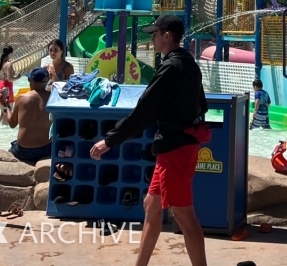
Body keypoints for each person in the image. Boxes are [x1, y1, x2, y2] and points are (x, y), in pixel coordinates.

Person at [89, 14, 209, 266]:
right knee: (151, 205)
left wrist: (110, 141)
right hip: (179, 145)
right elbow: (202, 104)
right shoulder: (189, 64)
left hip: (175, 148)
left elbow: (145, 111)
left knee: (185, 216)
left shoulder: (170, 67)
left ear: (167, 36)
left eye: (155, 34)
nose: (151, 38)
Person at [8, 67, 53, 164]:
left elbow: (12, 124)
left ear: (33, 82)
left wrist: (6, 108)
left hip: (24, 151)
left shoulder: (23, 98)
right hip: (47, 149)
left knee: (12, 146)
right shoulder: (53, 97)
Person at [0, 46, 16, 126]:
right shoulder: (8, 64)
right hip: (6, 88)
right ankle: (5, 130)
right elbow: (10, 79)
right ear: (10, 53)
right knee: (8, 112)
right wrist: (18, 77)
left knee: (2, 113)